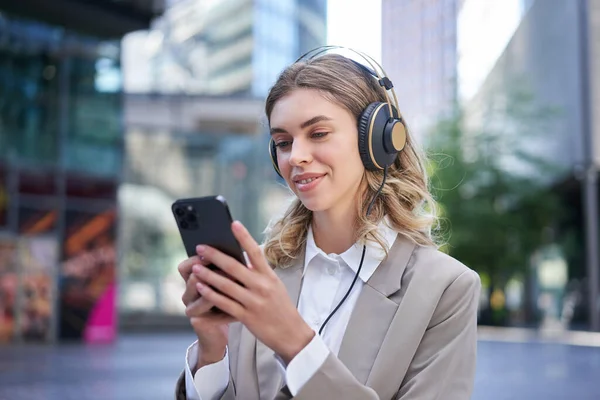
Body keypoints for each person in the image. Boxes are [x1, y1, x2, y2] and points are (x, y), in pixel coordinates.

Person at [175, 46, 481, 400]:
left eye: (318, 134)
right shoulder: (257, 276)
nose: (297, 157)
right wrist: (213, 350)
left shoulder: (445, 288)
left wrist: (294, 342)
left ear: (377, 139)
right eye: (283, 142)